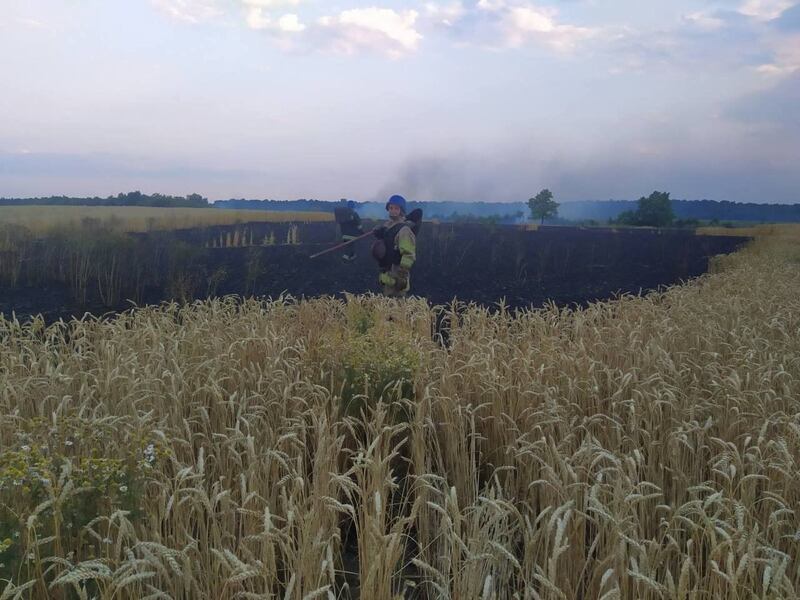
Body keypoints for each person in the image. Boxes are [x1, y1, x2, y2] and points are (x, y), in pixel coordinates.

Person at [372, 195, 417, 297]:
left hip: (397, 272)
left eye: (396, 208)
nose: (393, 211)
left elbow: (408, 254)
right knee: (387, 302)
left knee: (397, 304)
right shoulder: (387, 227)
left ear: (401, 211)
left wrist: (402, 275)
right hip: (387, 270)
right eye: (391, 208)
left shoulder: (404, 230)